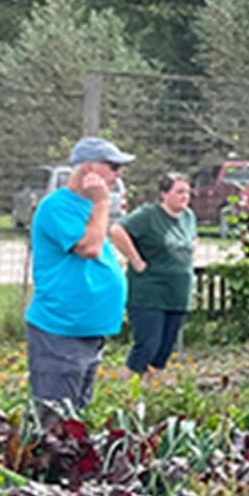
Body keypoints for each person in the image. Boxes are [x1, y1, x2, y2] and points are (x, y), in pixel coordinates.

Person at [25, 137, 131, 414]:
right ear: (89, 168)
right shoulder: (56, 207)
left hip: (87, 329)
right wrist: (102, 202)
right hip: (61, 330)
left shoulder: (86, 207)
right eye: (113, 166)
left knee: (75, 417)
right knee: (56, 419)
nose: (118, 174)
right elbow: (90, 248)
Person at [113, 172, 197, 378]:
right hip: (150, 292)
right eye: (179, 192)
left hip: (177, 292)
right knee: (148, 344)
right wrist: (136, 260)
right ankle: (125, 384)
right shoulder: (148, 215)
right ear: (164, 194)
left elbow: (192, 240)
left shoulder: (188, 216)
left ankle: (151, 388)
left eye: (187, 192)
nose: (184, 196)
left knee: (165, 348)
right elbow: (117, 231)